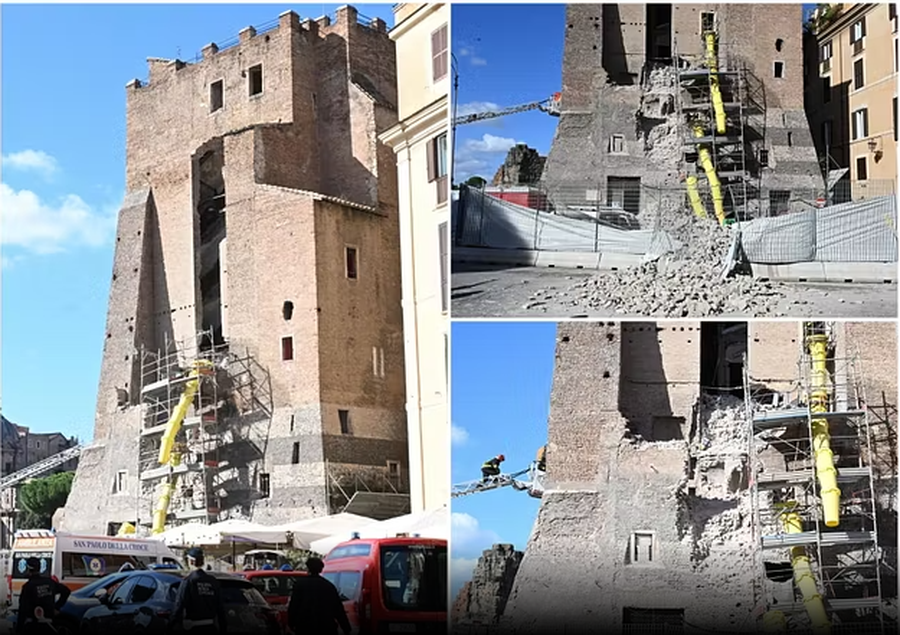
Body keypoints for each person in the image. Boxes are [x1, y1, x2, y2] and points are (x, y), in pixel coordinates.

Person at [169, 547, 227, 635]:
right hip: (211, 628)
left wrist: (170, 626)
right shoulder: (213, 581)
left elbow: (178, 606)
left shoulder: (188, 581)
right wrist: (223, 629)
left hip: (194, 628)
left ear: (191, 562)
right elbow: (220, 608)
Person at [287, 557, 351, 635]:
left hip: (304, 628)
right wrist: (346, 628)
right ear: (321, 569)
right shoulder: (328, 586)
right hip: (326, 628)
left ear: (308, 568)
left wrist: (291, 623)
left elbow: (294, 606)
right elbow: (338, 609)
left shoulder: (299, 585)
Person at [18, 557, 71, 635]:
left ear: (28, 570)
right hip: (49, 626)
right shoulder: (49, 582)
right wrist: (57, 607)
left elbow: (22, 610)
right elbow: (66, 591)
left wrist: (19, 629)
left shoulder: (28, 587)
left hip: (32, 627)